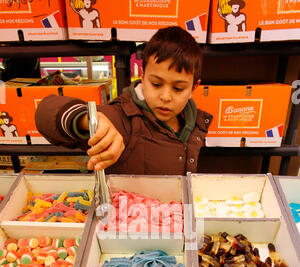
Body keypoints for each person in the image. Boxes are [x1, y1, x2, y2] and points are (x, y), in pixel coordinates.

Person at [35, 26, 213, 175]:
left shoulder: (196, 123)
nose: (165, 96)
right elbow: (44, 113)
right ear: (143, 78)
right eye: (156, 84)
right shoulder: (122, 118)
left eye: (178, 88)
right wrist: (87, 119)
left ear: (193, 88)